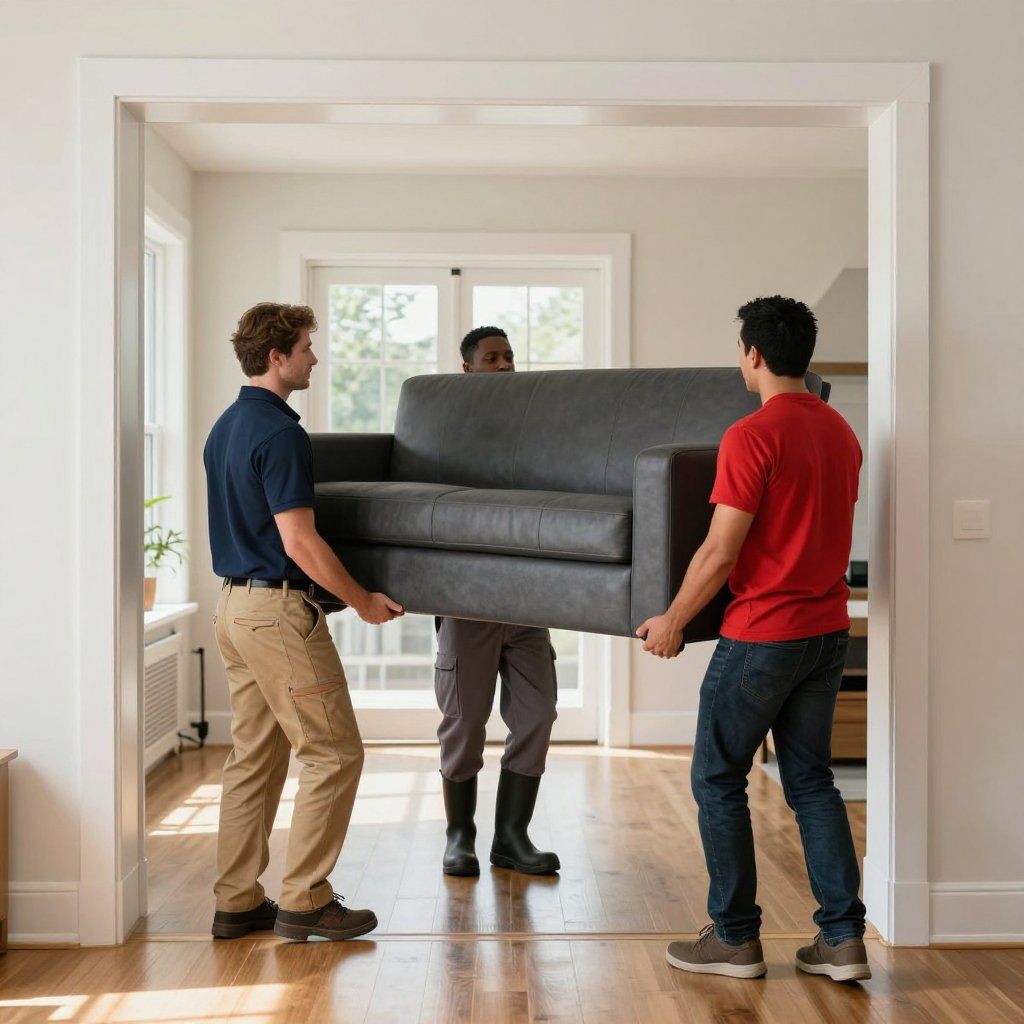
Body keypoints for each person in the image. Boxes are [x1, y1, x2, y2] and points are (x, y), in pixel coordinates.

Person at [636, 296, 869, 983]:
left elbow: (719, 551)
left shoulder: (752, 434)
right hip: (828, 631)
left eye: (740, 351)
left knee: (717, 776)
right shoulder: (839, 430)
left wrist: (674, 618)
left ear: (754, 354)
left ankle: (735, 938)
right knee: (812, 782)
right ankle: (841, 941)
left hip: (763, 636)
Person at [203, 302, 403, 942]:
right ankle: (305, 899)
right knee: (335, 752)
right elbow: (301, 542)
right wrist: (365, 600)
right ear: (276, 357)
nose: (314, 358)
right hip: (275, 615)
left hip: (233, 609)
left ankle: (236, 901)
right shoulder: (280, 432)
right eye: (306, 347)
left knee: (254, 760)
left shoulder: (226, 425)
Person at [435, 326, 560, 877]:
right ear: (468, 370)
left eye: (509, 356)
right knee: (465, 722)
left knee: (537, 714)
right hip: (468, 602)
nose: (505, 365)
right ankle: (459, 835)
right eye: (492, 358)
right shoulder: (448, 429)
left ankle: (512, 836)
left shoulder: (537, 429)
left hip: (528, 603)